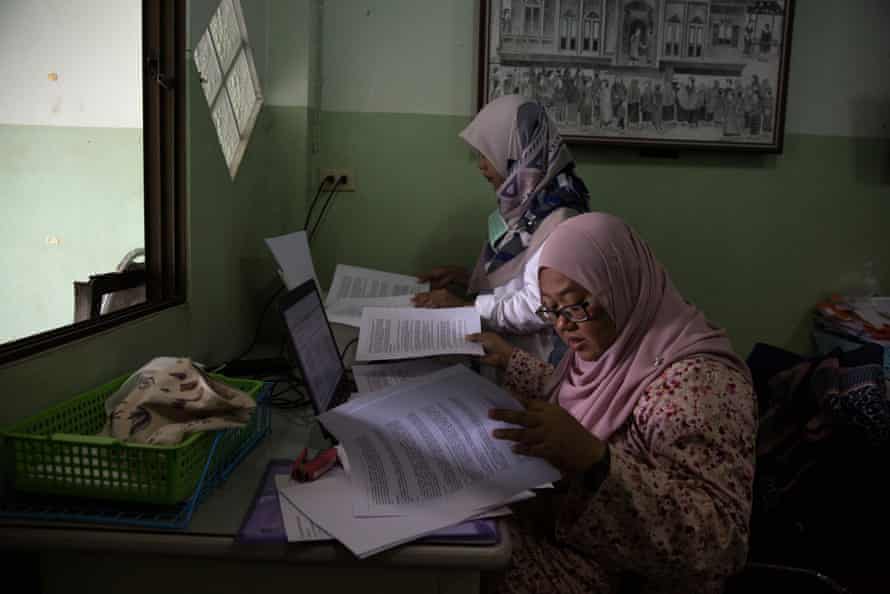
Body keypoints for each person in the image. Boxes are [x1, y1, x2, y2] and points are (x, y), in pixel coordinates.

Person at [468, 213, 756, 594]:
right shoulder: (611, 349)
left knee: (457, 572)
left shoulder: (699, 387)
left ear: (621, 287)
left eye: (575, 305)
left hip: (620, 576)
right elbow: (591, 397)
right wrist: (511, 360)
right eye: (551, 309)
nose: (562, 325)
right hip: (567, 540)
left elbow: (719, 546)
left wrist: (594, 459)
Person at [413, 95, 590, 362]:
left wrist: (467, 308)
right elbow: (519, 278)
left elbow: (536, 305)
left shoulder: (559, 219)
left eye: (488, 153)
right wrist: (466, 278)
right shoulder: (528, 207)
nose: (481, 165)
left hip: (539, 364)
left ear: (518, 153)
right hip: (511, 356)